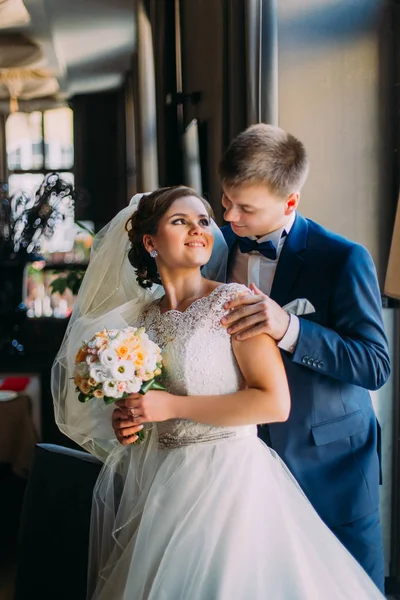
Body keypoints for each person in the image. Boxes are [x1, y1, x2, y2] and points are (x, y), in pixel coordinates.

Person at [54, 185, 386, 599]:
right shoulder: (138, 322)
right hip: (164, 488)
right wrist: (131, 420)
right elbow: (146, 407)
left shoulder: (234, 301)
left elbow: (273, 402)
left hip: (231, 482)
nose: (198, 229)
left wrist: (168, 405)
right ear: (150, 242)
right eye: (181, 221)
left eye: (204, 220)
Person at [216, 123, 390, 591]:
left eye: (244, 207)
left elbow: (375, 364)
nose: (228, 215)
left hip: (331, 466)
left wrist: (288, 328)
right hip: (244, 468)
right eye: (225, 199)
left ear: (290, 202)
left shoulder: (344, 259)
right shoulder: (218, 249)